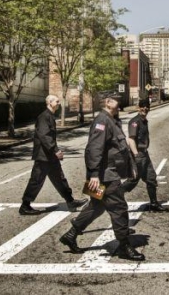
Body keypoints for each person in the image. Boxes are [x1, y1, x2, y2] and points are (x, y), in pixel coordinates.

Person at [59, 93, 144, 261]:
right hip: (105, 176)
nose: (119, 103)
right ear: (107, 102)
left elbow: (118, 149)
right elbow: (93, 149)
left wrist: (130, 166)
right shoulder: (102, 121)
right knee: (119, 208)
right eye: (116, 100)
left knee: (95, 206)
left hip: (106, 173)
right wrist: (94, 175)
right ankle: (124, 246)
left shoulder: (112, 120)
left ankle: (71, 234)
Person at [18, 95, 86, 215]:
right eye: (56, 101)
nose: (59, 102)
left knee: (60, 178)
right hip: (43, 156)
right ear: (50, 102)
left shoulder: (49, 116)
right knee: (36, 180)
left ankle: (70, 201)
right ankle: (25, 206)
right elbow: (45, 136)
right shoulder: (44, 117)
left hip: (49, 156)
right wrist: (55, 150)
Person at [121, 99, 168, 212]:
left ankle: (153, 203)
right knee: (133, 180)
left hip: (144, 154)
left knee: (151, 178)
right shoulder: (134, 121)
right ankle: (113, 195)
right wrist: (136, 155)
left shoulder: (144, 121)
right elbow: (131, 139)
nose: (145, 108)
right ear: (138, 107)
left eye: (147, 106)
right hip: (137, 155)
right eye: (143, 106)